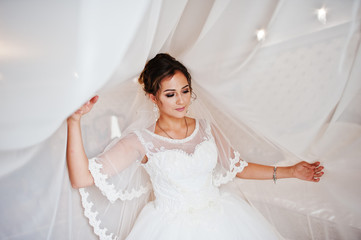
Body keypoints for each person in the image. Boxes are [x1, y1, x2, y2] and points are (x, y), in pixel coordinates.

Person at [66, 53, 324, 240]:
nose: (181, 100)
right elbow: (81, 178)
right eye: (170, 94)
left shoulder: (206, 127)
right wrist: (74, 120)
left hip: (225, 220)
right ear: (152, 97)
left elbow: (239, 167)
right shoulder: (140, 141)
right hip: (170, 229)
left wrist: (291, 171)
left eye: (185, 90)